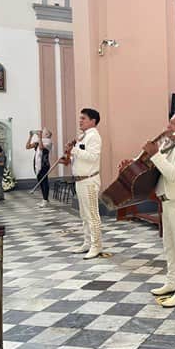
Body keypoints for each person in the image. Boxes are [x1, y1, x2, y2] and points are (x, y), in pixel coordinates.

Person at [131, 111, 175, 308]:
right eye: (169, 123)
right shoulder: (170, 144)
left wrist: (155, 154)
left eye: (173, 125)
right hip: (167, 202)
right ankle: (172, 282)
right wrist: (134, 164)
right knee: (169, 245)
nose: (168, 128)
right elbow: (153, 167)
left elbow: (174, 174)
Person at [66, 109, 103, 259]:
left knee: (92, 214)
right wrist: (70, 154)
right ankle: (87, 242)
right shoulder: (84, 136)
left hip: (89, 181)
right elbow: (80, 158)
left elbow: (93, 157)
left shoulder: (94, 136)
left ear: (93, 121)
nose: (80, 121)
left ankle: (96, 245)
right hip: (80, 180)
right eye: (80, 118)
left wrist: (74, 150)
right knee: (84, 215)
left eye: (83, 118)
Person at [26, 128, 53, 207]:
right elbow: (27, 146)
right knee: (41, 182)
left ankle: (45, 200)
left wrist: (40, 137)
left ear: (47, 135)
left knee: (44, 181)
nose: (40, 132)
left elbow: (41, 148)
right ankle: (45, 198)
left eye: (43, 132)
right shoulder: (38, 141)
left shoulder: (48, 142)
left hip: (44, 164)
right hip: (37, 164)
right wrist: (30, 137)